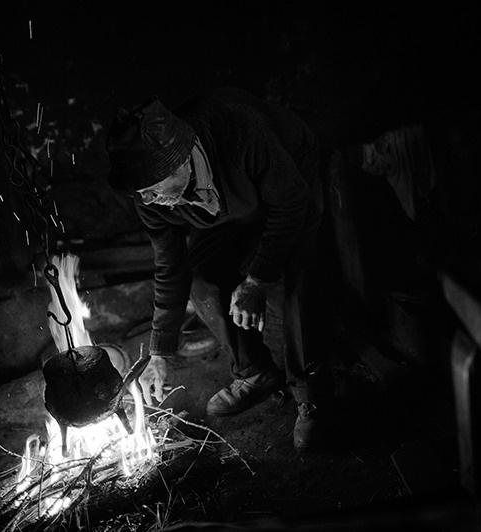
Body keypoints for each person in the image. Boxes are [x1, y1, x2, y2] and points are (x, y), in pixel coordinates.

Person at [105, 87, 331, 450]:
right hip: (227, 204)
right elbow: (170, 266)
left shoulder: (242, 132)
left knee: (300, 278)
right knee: (201, 275)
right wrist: (160, 352)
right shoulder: (151, 196)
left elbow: (290, 204)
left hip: (290, 179)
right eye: (139, 192)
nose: (145, 199)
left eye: (150, 188)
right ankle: (255, 371)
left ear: (180, 161)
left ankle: (312, 395)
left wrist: (257, 279)